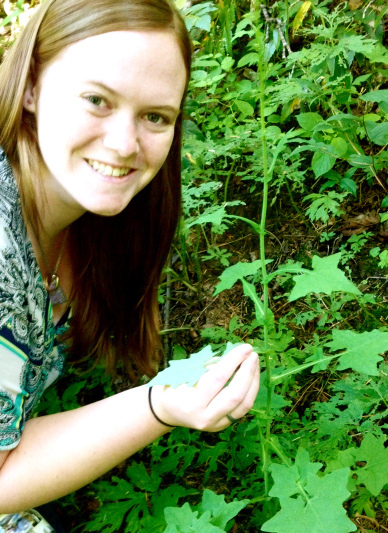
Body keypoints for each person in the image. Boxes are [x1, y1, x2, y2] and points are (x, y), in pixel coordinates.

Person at [0, 0, 260, 517]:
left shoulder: (90, 221)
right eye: (97, 99)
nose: (123, 144)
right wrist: (158, 404)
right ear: (31, 87)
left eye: (155, 116)